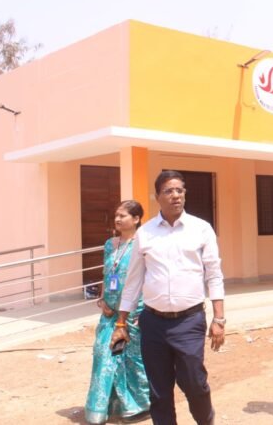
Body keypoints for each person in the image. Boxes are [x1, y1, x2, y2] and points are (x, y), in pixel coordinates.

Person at [111, 170, 225, 425]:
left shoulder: (201, 229)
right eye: (169, 191)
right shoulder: (145, 233)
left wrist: (219, 319)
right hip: (153, 323)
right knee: (159, 391)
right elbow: (133, 281)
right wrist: (121, 322)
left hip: (189, 322)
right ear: (157, 196)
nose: (176, 196)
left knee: (194, 383)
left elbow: (214, 275)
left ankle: (206, 421)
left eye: (180, 190)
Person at [84, 200, 150, 424]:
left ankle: (141, 405)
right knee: (103, 353)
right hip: (109, 312)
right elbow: (107, 273)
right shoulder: (110, 244)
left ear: (136, 219)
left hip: (133, 312)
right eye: (116, 215)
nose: (117, 219)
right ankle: (101, 408)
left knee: (131, 360)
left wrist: (141, 309)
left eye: (123, 215)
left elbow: (148, 277)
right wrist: (102, 299)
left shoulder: (143, 244)